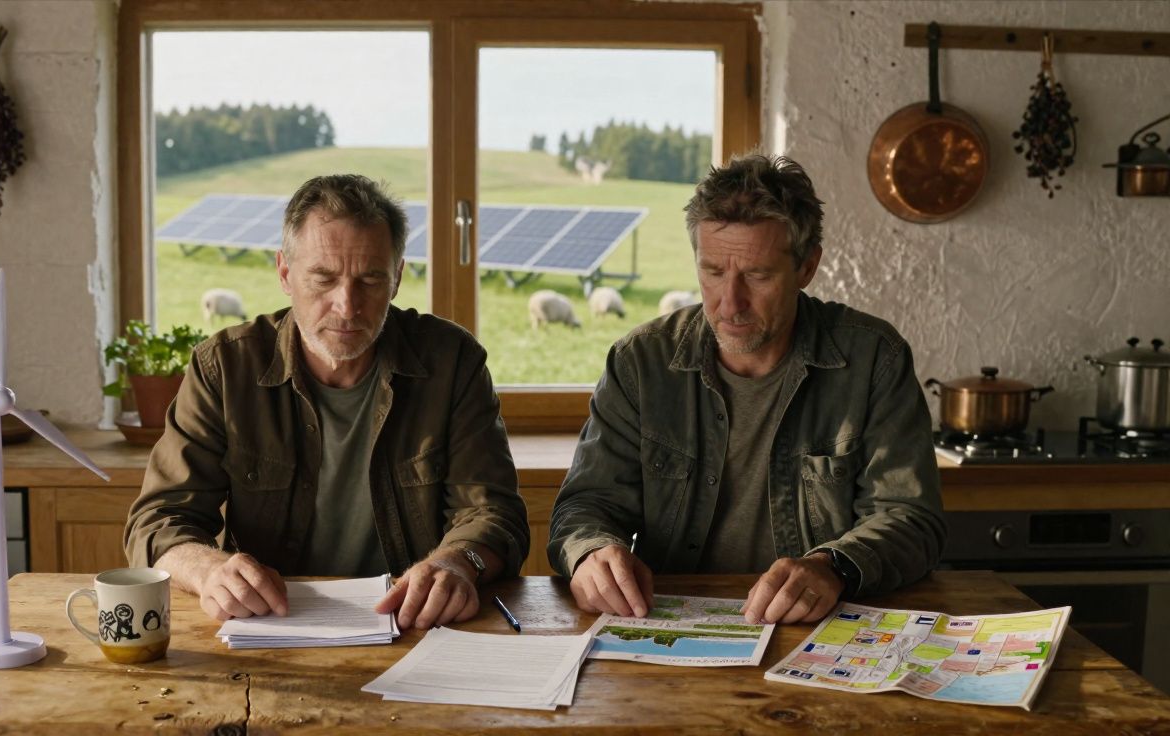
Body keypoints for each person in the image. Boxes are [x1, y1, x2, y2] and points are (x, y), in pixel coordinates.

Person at [547, 154, 945, 625]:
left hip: (818, 629)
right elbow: (586, 506)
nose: (729, 304)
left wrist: (833, 566)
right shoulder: (641, 362)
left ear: (807, 267)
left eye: (757, 276)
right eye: (713, 272)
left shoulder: (874, 359)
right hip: (670, 629)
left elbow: (910, 517)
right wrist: (592, 552)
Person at [125, 174, 530, 630]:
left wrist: (457, 564)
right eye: (323, 278)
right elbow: (158, 520)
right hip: (271, 625)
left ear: (396, 278)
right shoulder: (225, 367)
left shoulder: (452, 362)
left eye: (371, 280)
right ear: (284, 273)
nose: (347, 305)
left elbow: (494, 514)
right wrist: (209, 570)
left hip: (415, 624)